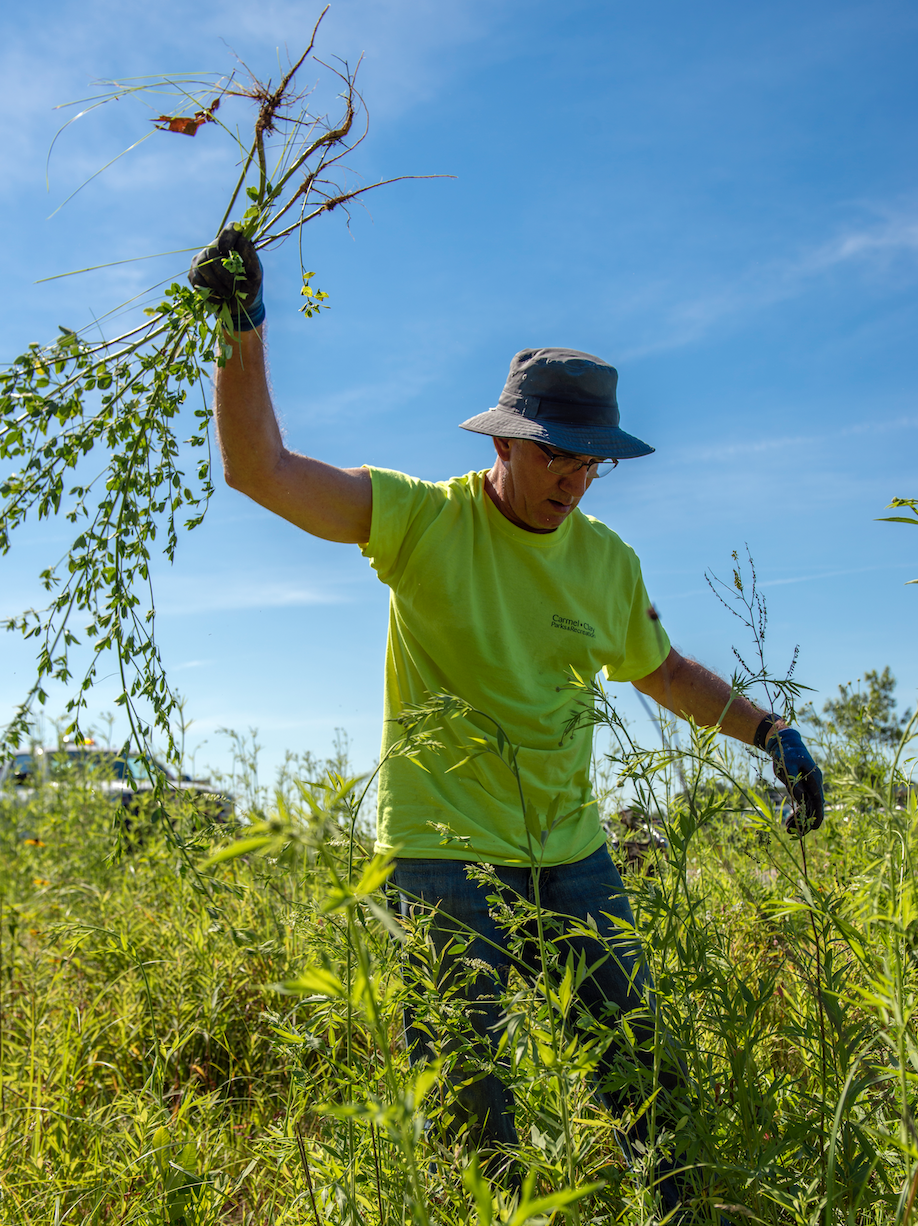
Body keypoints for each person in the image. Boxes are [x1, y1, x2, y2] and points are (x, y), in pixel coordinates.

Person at [191, 227, 825, 1223]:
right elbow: (261, 468)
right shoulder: (422, 521)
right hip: (442, 860)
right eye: (558, 454)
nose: (576, 478)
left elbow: (661, 667)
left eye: (593, 461)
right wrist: (244, 329)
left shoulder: (605, 559)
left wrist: (770, 732)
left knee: (651, 1089)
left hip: (572, 853)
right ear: (502, 441)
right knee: (471, 1115)